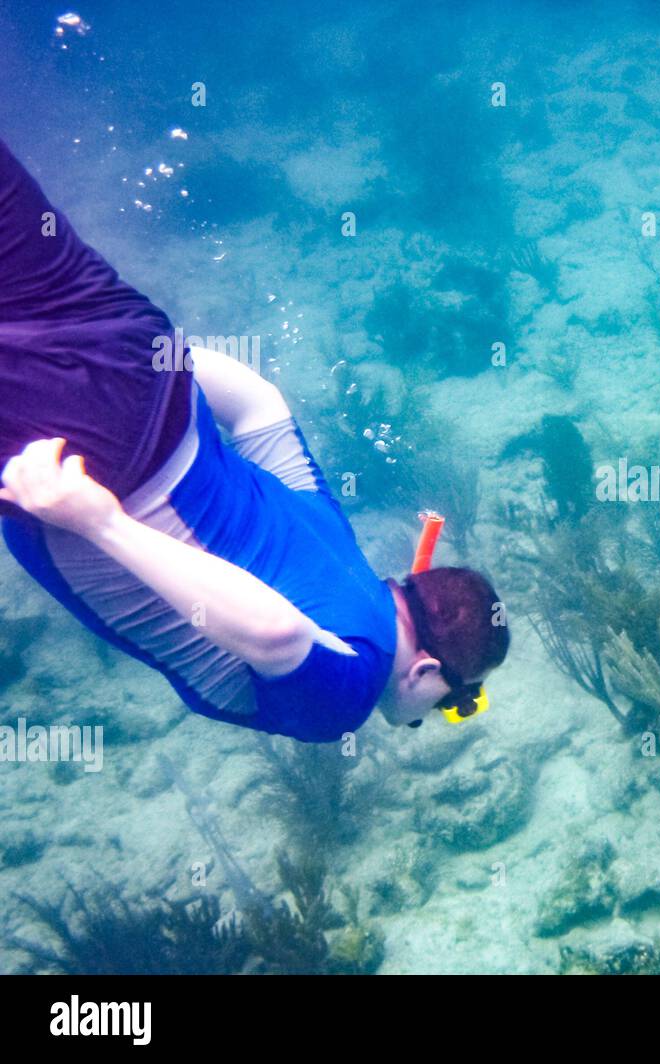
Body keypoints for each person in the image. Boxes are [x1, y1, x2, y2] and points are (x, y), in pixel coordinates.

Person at [0, 137, 508, 742]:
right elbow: (277, 635)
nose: (428, 717)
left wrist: (156, 360)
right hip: (87, 455)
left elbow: (259, 405)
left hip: (125, 332)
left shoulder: (333, 530)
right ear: (427, 672)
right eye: (456, 704)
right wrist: (99, 522)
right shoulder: (352, 690)